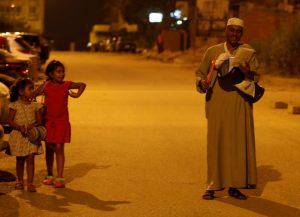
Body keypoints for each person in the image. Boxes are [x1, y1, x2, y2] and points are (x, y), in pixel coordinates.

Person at [196, 18, 259, 200]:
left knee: (237, 145)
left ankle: (235, 185)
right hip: (217, 103)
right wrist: (201, 82)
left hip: (240, 104)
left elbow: (257, 77)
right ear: (226, 31)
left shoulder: (248, 52)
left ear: (242, 33)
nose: (234, 34)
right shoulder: (212, 51)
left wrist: (247, 72)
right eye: (231, 30)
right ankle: (212, 186)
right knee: (216, 144)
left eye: (238, 31)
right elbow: (200, 73)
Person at [34, 60, 86, 188]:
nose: (62, 74)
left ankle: (60, 177)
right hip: (48, 122)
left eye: (62, 72)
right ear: (51, 74)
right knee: (50, 149)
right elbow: (33, 94)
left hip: (61, 121)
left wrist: (77, 94)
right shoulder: (46, 85)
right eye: (58, 72)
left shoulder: (67, 85)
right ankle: (50, 174)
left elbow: (82, 85)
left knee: (59, 148)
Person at [7, 78, 44, 192]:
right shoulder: (14, 105)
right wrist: (20, 127)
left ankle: (30, 183)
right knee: (20, 160)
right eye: (30, 89)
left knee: (30, 159)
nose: (32, 91)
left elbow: (39, 120)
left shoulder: (35, 106)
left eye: (33, 88)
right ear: (21, 92)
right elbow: (10, 120)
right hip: (19, 136)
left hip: (31, 137)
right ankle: (20, 181)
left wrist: (33, 125)